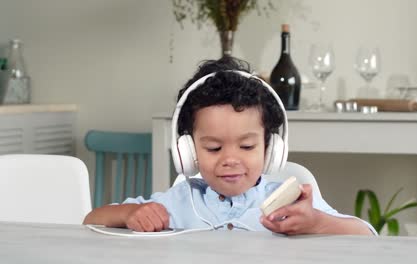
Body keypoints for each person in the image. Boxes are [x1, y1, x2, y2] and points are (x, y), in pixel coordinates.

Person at [83, 56, 375, 236]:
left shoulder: (289, 205)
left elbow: (366, 234)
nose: (230, 160)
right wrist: (130, 214)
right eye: (213, 148)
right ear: (188, 151)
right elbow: (92, 220)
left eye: (247, 146)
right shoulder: (180, 201)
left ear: (270, 148)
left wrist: (316, 223)